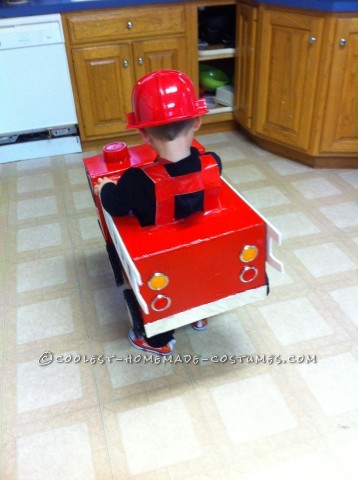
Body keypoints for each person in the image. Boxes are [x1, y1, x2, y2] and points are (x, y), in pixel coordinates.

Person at [94, 70, 222, 356]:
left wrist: (105, 188)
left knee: (157, 292)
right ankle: (200, 313)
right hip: (202, 256)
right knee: (197, 274)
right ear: (198, 121)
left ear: (143, 133)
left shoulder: (137, 181)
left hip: (161, 263)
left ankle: (158, 340)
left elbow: (115, 205)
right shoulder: (214, 163)